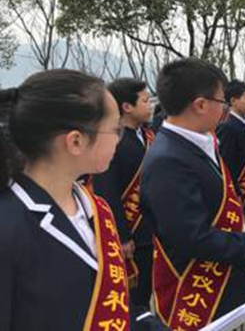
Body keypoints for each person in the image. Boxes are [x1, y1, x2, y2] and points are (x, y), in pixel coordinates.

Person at [0, 69, 166, 330]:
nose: (118, 140)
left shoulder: (95, 208)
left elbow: (112, 305)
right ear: (76, 142)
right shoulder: (9, 227)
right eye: (115, 130)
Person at [141, 58, 245, 330]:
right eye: (222, 100)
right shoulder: (168, 159)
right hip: (196, 288)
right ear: (200, 105)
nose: (224, 108)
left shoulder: (201, 142)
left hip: (224, 277)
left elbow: (230, 201)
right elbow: (191, 236)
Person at [92, 78, 155, 309]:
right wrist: (121, 235)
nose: (150, 106)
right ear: (127, 107)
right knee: (134, 299)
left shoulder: (148, 135)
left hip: (152, 230)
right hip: (132, 233)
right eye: (145, 101)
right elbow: (107, 192)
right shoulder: (113, 140)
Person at [217, 80, 245, 228]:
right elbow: (226, 163)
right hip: (240, 190)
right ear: (233, 101)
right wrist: (235, 191)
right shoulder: (228, 127)